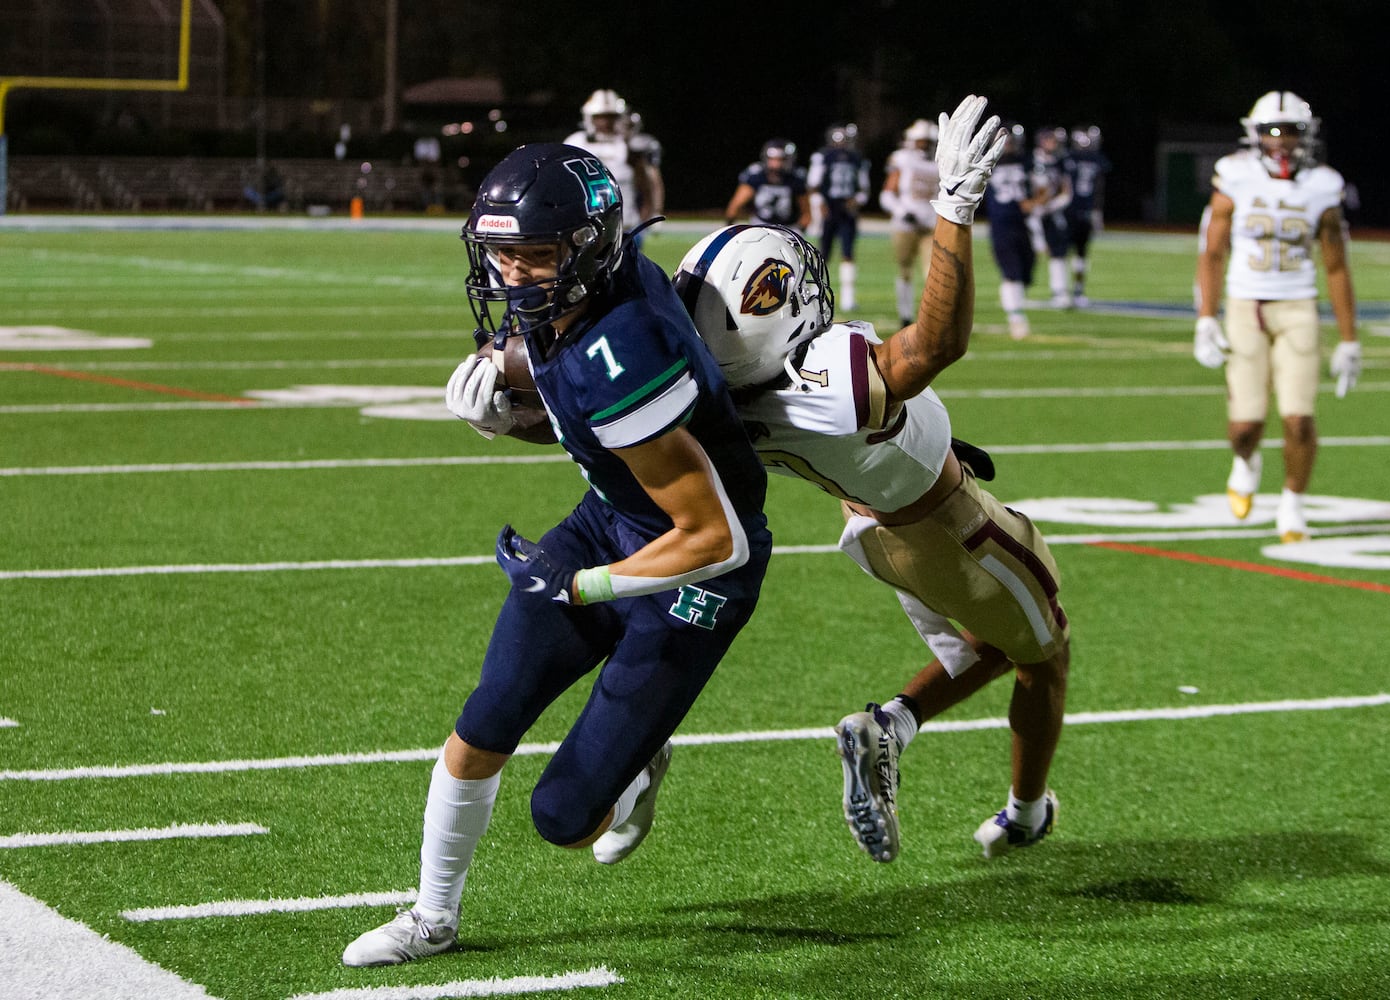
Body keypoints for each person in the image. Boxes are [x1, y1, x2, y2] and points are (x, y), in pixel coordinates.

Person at [342, 143, 772, 967]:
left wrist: (579, 587)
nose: (512, 274)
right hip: (616, 516)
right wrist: (511, 417)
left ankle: (636, 763)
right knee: (487, 717)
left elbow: (715, 536)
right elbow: (592, 432)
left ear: (588, 248)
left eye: (534, 256)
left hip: (698, 572)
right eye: (499, 253)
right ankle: (433, 916)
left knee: (564, 820)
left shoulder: (623, 349)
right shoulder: (570, 294)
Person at [673, 96, 1068, 865]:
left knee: (984, 646)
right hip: (948, 527)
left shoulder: (719, 394)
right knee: (1044, 657)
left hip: (875, 530)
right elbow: (935, 343)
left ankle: (893, 727)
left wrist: (516, 394)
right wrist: (953, 207)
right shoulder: (827, 386)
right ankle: (1024, 811)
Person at [1194, 91, 1361, 544]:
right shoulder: (1235, 176)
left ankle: (1292, 503)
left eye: (1292, 131)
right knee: (1245, 426)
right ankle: (1246, 461)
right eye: (1273, 130)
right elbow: (1213, 251)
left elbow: (1336, 264)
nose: (1282, 140)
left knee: (1298, 418)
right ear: (1255, 134)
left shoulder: (1323, 184)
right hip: (1247, 306)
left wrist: (1350, 338)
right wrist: (1206, 315)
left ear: (1307, 136)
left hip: (1298, 306)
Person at [564, 89, 665, 235]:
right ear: (589, 118)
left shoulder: (631, 145)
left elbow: (650, 183)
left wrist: (653, 212)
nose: (606, 122)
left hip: (627, 224)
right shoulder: (576, 142)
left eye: (611, 117)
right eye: (600, 117)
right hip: (586, 226)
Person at [880, 118, 942, 326]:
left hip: (931, 224)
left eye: (927, 141)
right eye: (920, 141)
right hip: (906, 223)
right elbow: (887, 194)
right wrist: (901, 211)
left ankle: (930, 317)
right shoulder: (902, 159)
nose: (924, 145)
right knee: (905, 270)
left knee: (932, 271)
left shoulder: (941, 162)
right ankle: (905, 315)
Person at [982, 122, 1040, 339]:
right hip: (1001, 224)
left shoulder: (1027, 163)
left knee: (1027, 270)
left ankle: (1015, 306)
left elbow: (1041, 187)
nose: (1007, 146)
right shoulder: (987, 163)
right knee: (1012, 272)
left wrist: (1036, 201)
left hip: (1024, 223)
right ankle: (1016, 317)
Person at [806, 122, 871, 312]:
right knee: (823, 253)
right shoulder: (823, 157)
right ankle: (813, 292)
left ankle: (848, 299)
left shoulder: (857, 159)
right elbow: (813, 185)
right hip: (829, 207)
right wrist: (820, 203)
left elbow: (863, 189)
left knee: (848, 253)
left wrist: (857, 200)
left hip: (847, 210)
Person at [1062, 125, 1111, 307]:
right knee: (1077, 253)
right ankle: (1073, 289)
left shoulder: (1069, 158)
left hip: (1075, 210)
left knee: (1074, 253)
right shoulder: (1092, 160)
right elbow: (1099, 188)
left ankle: (1071, 290)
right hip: (1078, 210)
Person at [724, 137, 811, 231]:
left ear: (789, 160)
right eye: (772, 159)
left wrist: (799, 231)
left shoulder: (796, 178)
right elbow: (736, 205)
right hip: (759, 225)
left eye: (781, 160)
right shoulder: (756, 175)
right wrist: (730, 225)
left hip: (788, 228)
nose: (776, 165)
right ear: (765, 158)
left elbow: (806, 212)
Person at [1030, 125, 1075, 308]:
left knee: (1058, 252)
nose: (1052, 144)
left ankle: (1060, 290)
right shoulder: (1030, 162)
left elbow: (1066, 191)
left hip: (1051, 214)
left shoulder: (1060, 162)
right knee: (1027, 251)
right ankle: (1017, 286)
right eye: (1049, 140)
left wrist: (1052, 205)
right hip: (1032, 215)